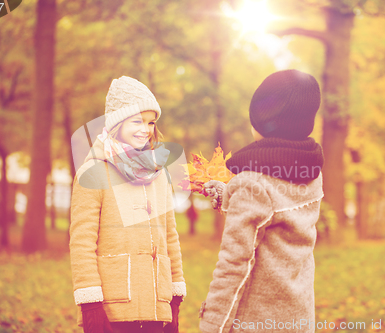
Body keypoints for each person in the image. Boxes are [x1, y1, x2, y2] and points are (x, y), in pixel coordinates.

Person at [200, 69, 325, 333]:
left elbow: (234, 265)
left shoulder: (253, 184)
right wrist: (229, 194)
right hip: (297, 317)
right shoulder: (310, 171)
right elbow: (276, 213)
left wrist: (213, 325)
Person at [70, 76, 186, 333]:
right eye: (137, 121)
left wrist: (175, 294)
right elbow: (82, 242)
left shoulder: (159, 173)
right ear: (117, 123)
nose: (145, 129)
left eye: (151, 122)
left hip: (157, 307)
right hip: (113, 310)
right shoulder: (93, 171)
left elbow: (170, 237)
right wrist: (90, 304)